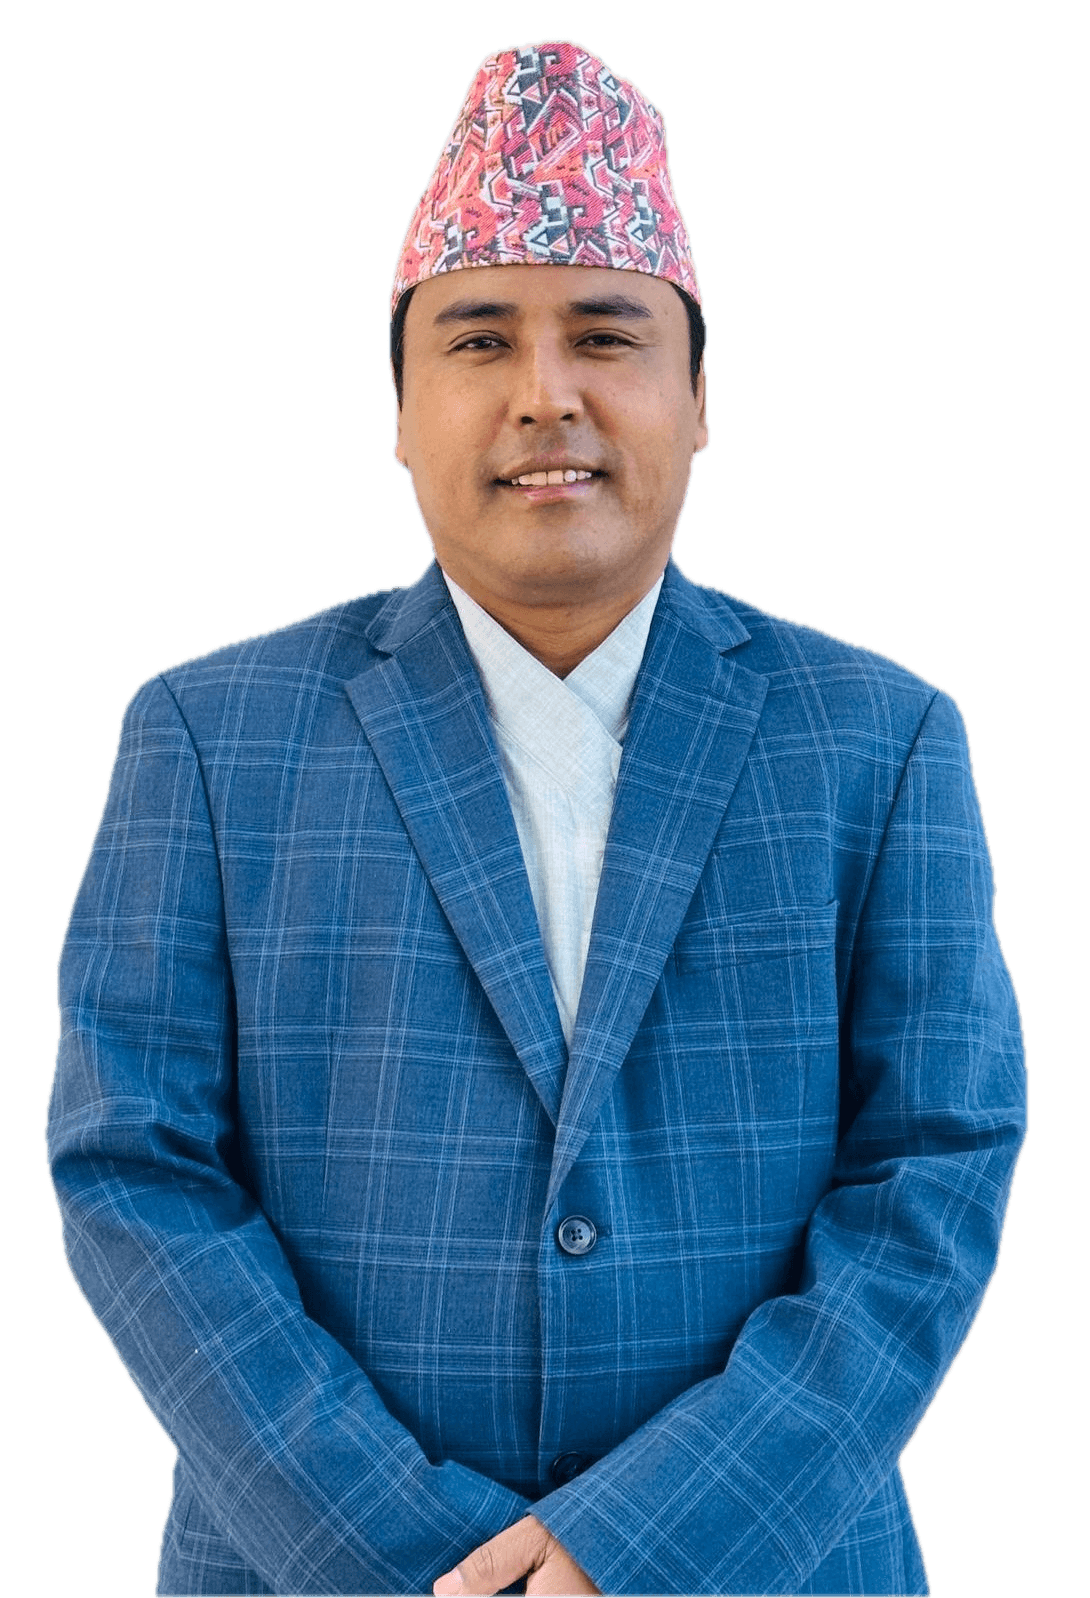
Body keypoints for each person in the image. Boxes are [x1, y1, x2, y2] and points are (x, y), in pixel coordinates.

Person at [45, 38, 1028, 1598]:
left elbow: (935, 1165)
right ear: (396, 403)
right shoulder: (208, 737)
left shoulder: (879, 738)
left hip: (772, 1566)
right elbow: (134, 1164)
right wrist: (409, 1556)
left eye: (606, 333)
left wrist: (651, 1544)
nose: (545, 394)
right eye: (479, 338)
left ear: (698, 397)